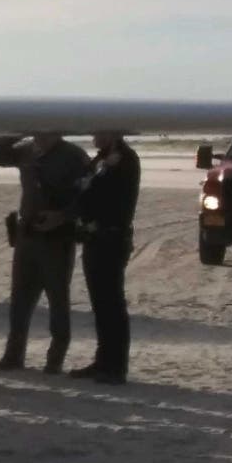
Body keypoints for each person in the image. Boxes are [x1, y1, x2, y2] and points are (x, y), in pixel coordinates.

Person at [0, 130, 90, 373]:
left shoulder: (73, 156)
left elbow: (88, 195)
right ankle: (13, 355)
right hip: (27, 234)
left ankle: (55, 359)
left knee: (57, 300)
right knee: (20, 300)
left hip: (57, 238)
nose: (39, 135)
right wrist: (15, 131)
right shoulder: (26, 150)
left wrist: (62, 216)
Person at [70, 132, 140, 385]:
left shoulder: (125, 160)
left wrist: (92, 183)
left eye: (99, 133)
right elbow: (82, 190)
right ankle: (103, 361)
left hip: (111, 239)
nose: (94, 137)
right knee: (101, 305)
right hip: (96, 238)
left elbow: (105, 196)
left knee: (111, 304)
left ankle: (116, 366)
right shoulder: (102, 159)